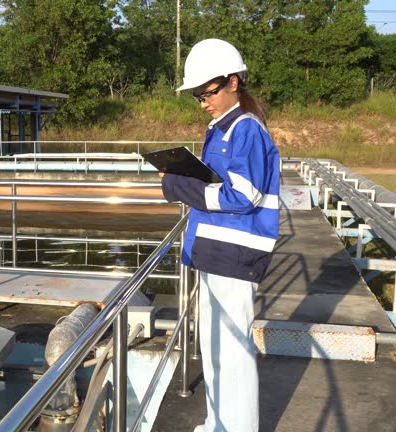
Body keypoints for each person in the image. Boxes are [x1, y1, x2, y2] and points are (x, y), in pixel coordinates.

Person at [160, 38, 280, 432]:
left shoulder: (246, 129)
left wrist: (178, 185)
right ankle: (218, 424)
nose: (202, 102)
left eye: (208, 92)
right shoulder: (223, 127)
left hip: (235, 254)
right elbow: (219, 186)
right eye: (197, 96)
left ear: (233, 82)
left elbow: (243, 195)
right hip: (217, 250)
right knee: (214, 349)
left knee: (232, 353)